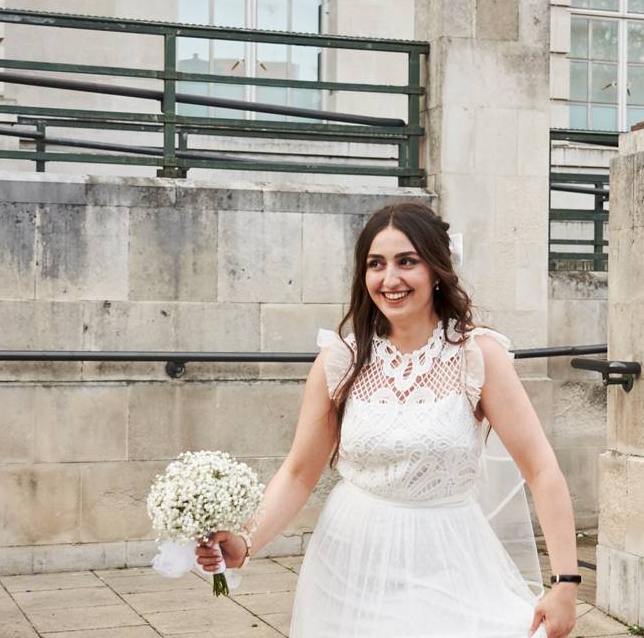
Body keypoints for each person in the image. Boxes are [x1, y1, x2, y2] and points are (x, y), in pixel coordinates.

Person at [197, 202, 581, 638]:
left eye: (407, 262)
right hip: (348, 564)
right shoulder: (340, 360)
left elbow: (542, 470)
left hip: (446, 559)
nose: (390, 279)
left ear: (436, 269)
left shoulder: (478, 356)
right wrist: (246, 542)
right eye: (375, 264)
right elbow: (300, 473)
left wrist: (565, 583)